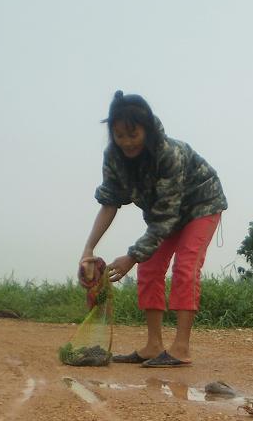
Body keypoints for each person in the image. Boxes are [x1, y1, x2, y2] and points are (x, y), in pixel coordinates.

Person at [79, 91, 227, 366]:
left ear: (146, 129)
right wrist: (88, 249)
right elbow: (109, 202)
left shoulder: (169, 154)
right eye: (119, 136)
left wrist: (131, 257)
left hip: (201, 204)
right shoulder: (114, 157)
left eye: (132, 135)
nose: (126, 142)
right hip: (165, 214)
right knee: (149, 268)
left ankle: (181, 348)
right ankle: (153, 345)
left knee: (185, 266)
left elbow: (165, 218)